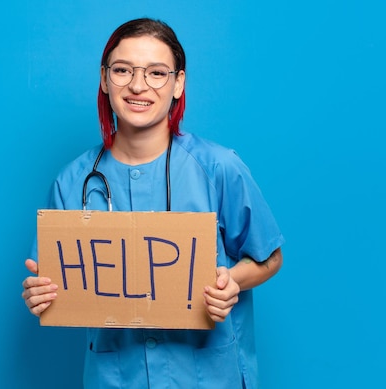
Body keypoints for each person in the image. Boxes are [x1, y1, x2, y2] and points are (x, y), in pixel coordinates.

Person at [22, 17, 285, 389]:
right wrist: (41, 295)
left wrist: (232, 281)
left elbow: (269, 256)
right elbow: (58, 283)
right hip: (115, 378)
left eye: (157, 73)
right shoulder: (70, 182)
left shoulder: (218, 168)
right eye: (122, 70)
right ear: (104, 79)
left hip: (207, 375)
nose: (137, 85)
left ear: (179, 83)